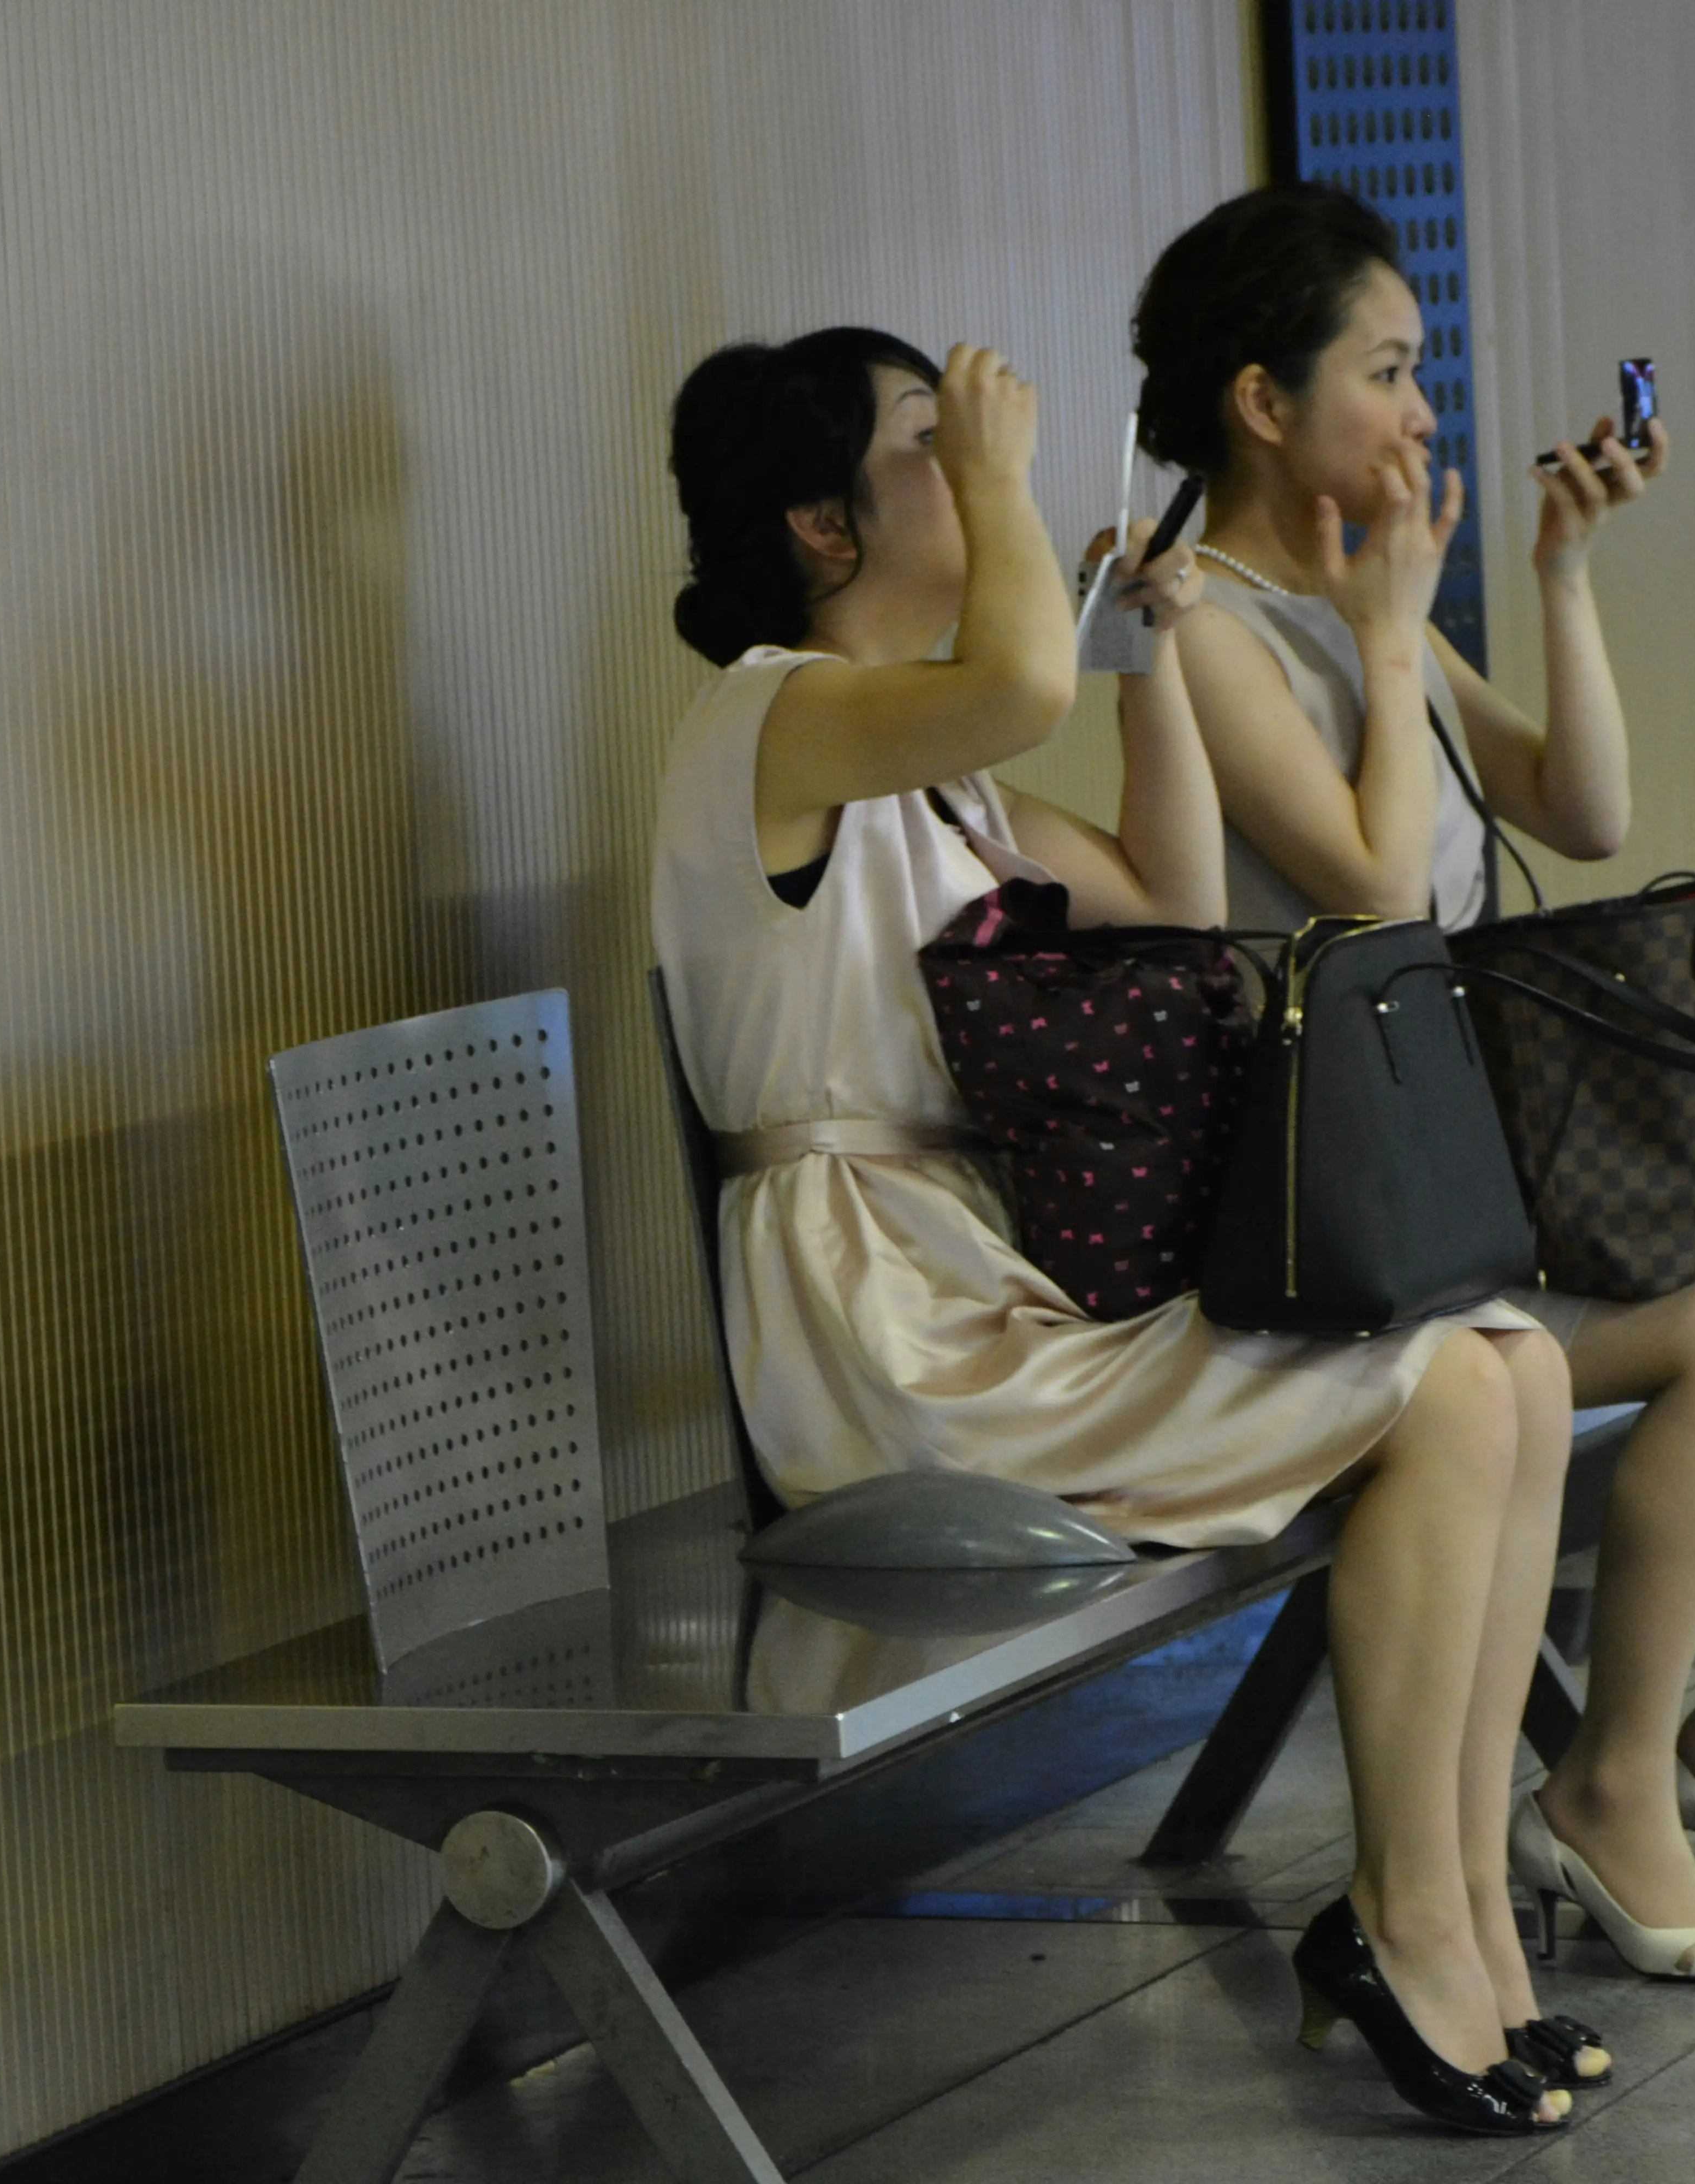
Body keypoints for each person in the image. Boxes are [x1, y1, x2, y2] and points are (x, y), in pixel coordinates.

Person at [650, 325, 1593, 2134]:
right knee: (1460, 1389)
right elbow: (1009, 684)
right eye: (929, 444)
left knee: (1510, 1372)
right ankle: (1405, 1922)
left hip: (970, 1289)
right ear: (821, 527)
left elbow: (1166, 895)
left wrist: (1151, 653)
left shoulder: (933, 776)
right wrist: (1024, 542)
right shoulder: (773, 716)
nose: (979, 461)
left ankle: (1465, 1912)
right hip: (884, 1336)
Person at [1133, 183, 1695, 1989]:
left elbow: (1586, 811)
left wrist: (1556, 574)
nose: (1424, 415)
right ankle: (1616, 1777)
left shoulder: (1338, 602)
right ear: (1263, 400)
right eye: (1389, 372)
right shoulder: (1208, 631)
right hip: (1330, 1241)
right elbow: (1378, 899)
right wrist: (1394, 635)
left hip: (1449, 1196)